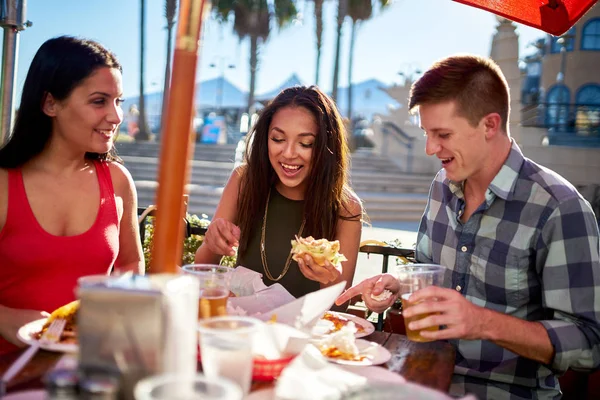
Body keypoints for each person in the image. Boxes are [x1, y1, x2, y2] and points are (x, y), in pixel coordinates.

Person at [336, 55, 600, 399]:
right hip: (423, 378)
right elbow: (427, 270)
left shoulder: (559, 208)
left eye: (443, 134)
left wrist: (481, 322)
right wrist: (397, 283)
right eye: (427, 134)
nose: (431, 148)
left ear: (490, 125)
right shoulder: (442, 187)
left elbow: (589, 344)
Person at [0, 36, 144, 355]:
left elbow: (130, 263)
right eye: (99, 101)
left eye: (118, 101)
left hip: (89, 366)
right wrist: (7, 319)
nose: (116, 116)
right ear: (50, 103)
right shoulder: (3, 184)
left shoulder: (118, 180)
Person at [195, 86, 363, 299]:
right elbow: (202, 271)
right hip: (241, 326)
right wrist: (211, 244)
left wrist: (330, 280)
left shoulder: (346, 207)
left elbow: (339, 307)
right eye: (278, 139)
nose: (289, 153)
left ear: (326, 147)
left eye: (306, 143)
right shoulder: (243, 181)